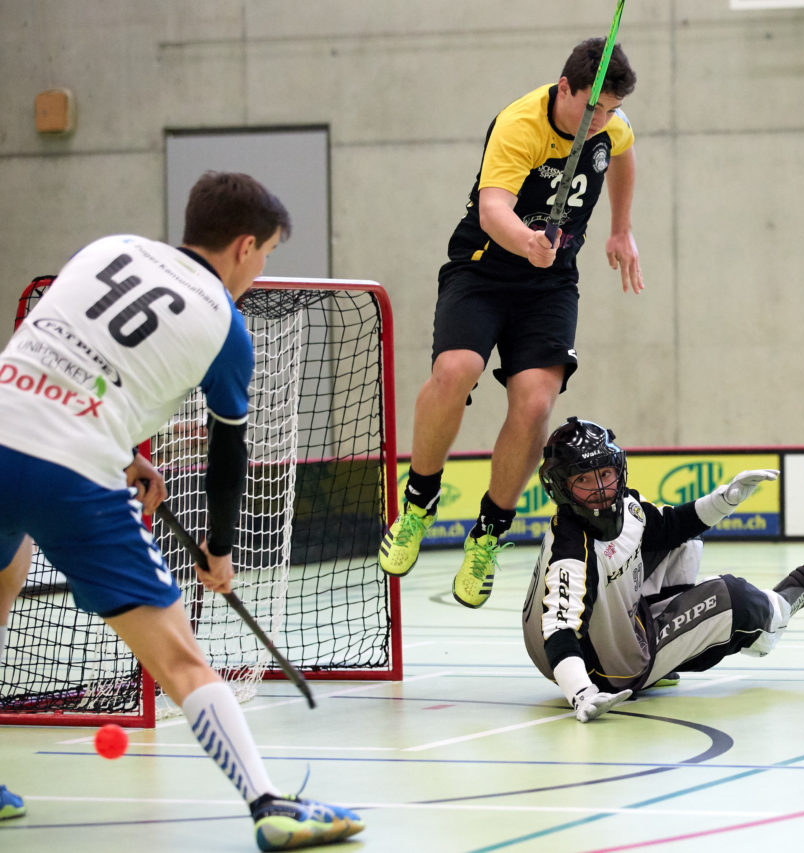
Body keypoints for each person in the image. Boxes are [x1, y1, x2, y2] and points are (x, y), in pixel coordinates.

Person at [0, 172, 364, 849]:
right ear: (243, 245)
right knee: (183, 661)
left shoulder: (108, 249)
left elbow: (67, 359)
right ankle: (268, 803)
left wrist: (126, 454)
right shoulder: (226, 326)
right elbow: (230, 455)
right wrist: (220, 550)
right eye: (267, 254)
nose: (260, 271)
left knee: (4, 575)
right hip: (73, 471)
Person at [377, 38, 644, 609]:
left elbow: (623, 155)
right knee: (457, 370)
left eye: (611, 110)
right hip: (484, 269)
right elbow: (494, 205)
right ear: (566, 87)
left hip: (550, 285)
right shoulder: (520, 124)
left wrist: (621, 227)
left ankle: (490, 532)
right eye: (594, 108)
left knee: (534, 405)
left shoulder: (609, 125)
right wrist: (527, 241)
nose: (602, 121)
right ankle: (419, 502)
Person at [521, 417, 804, 721]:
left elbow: (669, 526)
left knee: (684, 541)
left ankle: (666, 653)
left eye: (605, 473)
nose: (600, 488)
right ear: (561, 488)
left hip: (614, 630)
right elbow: (559, 630)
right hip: (607, 671)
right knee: (733, 598)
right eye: (583, 480)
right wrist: (582, 693)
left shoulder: (628, 505)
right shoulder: (571, 552)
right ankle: (779, 610)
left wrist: (726, 499)